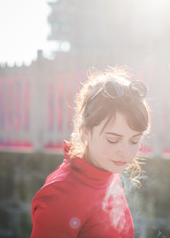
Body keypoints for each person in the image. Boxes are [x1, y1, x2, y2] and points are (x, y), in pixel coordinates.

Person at [31, 67, 151, 238]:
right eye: (113, 140)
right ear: (86, 132)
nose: (125, 152)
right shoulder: (62, 195)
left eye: (134, 140)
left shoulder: (109, 171)